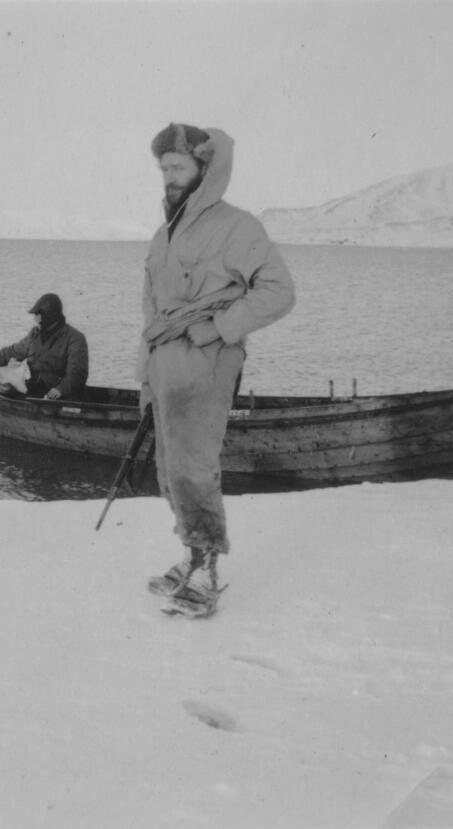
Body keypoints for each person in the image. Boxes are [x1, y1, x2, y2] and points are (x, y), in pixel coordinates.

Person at [140, 124, 295, 615]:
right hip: (163, 365)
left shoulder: (237, 227)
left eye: (178, 167)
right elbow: (151, 312)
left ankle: (207, 570)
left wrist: (221, 328)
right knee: (169, 469)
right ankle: (191, 555)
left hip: (207, 363)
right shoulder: (164, 233)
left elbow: (278, 291)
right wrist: (143, 376)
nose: (168, 176)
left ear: (204, 170)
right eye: (163, 167)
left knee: (194, 467)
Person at [0, 293, 89, 400]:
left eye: (38, 314)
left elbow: (77, 374)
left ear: (50, 315)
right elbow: (12, 352)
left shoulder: (75, 339)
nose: (35, 319)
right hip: (33, 390)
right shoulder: (35, 334)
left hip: (57, 397)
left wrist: (60, 389)